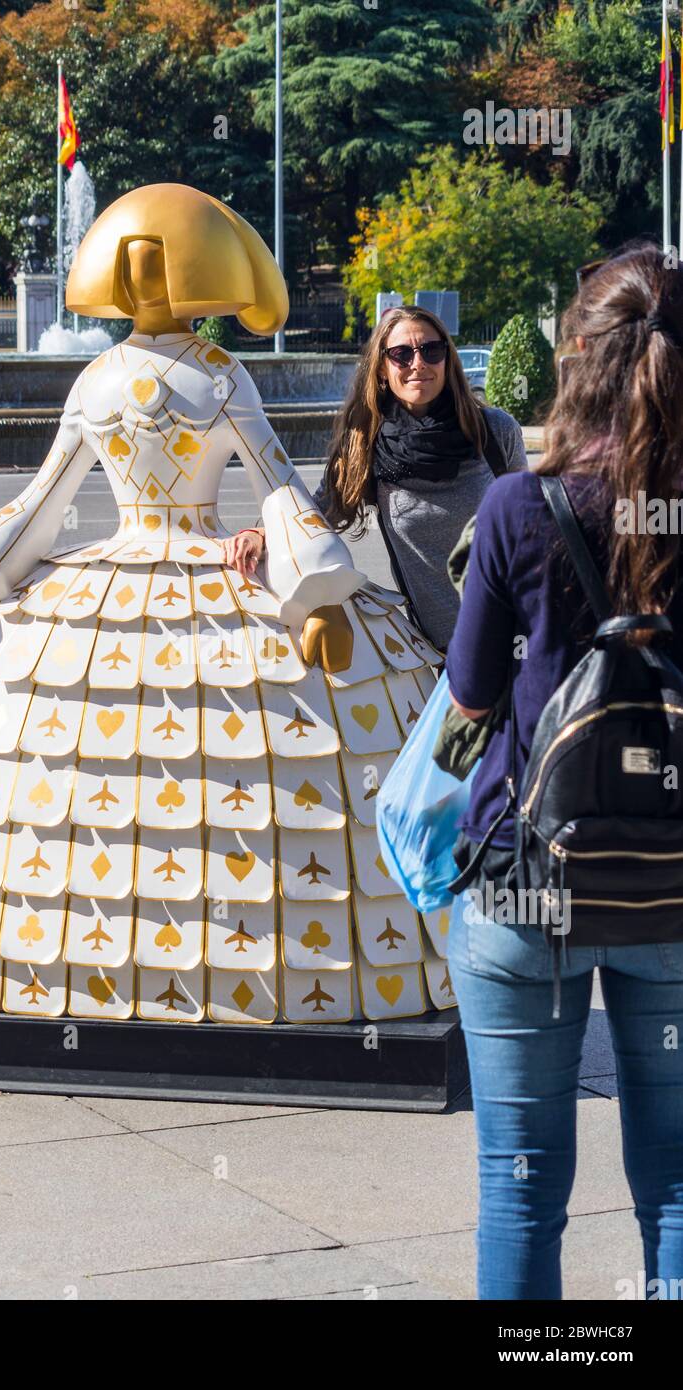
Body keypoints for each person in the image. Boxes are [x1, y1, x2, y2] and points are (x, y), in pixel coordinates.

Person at [0, 183, 451, 1026]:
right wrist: (318, 582)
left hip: (126, 566)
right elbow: (277, 486)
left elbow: (43, 504)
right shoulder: (218, 375)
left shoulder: (101, 377)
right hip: (202, 560)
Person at [443, 243, 683, 1300]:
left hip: (526, 877)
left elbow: (467, 699)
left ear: (574, 355)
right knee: (677, 1183)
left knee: (521, 1177)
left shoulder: (514, 507)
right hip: (673, 879)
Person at [222, 306, 527, 651]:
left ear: (447, 358)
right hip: (443, 648)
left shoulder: (495, 430)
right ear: (382, 369)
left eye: (432, 349)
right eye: (401, 354)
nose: (419, 363)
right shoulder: (367, 445)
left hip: (518, 629)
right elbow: (318, 514)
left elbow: (531, 523)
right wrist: (259, 532)